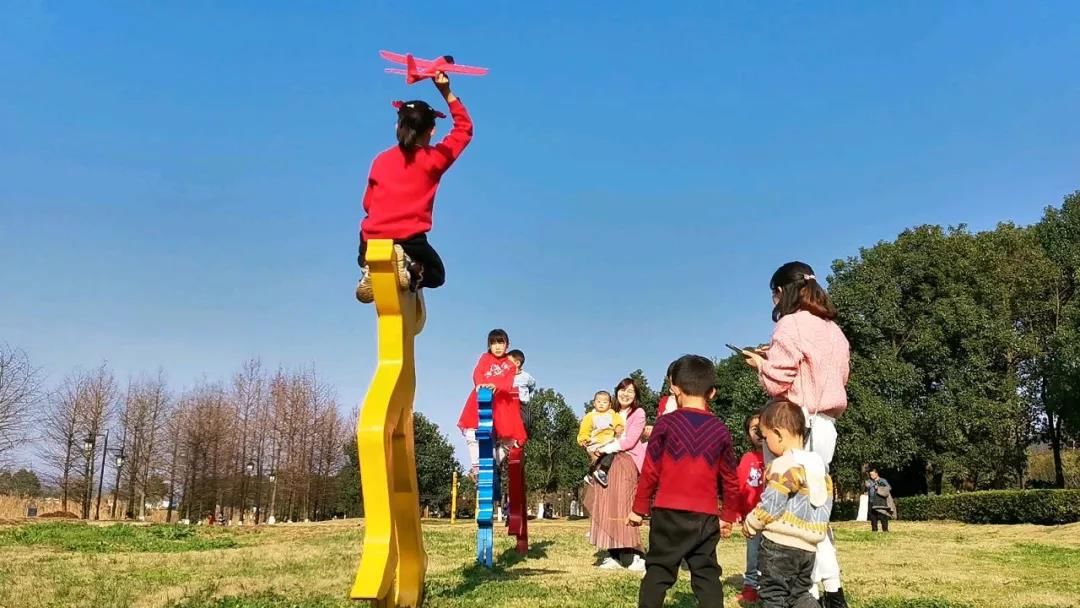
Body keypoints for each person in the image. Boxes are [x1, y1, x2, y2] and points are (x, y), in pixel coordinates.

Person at [740, 261, 851, 608]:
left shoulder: (790, 324)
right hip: (827, 425)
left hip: (794, 424)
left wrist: (761, 364)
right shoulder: (834, 330)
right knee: (816, 509)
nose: (773, 302)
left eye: (773, 294)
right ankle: (830, 590)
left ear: (782, 291)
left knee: (786, 509)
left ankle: (803, 592)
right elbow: (838, 376)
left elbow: (778, 380)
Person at [629, 355, 740, 608]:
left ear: (674, 387)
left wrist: (639, 509)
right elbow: (730, 479)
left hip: (667, 512)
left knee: (658, 571)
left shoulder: (665, 424)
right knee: (706, 574)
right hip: (705, 514)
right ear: (712, 392)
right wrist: (728, 515)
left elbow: (650, 471)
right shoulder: (720, 430)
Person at [355, 71, 474, 303]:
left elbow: (367, 204)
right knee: (437, 274)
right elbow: (464, 129)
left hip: (372, 238)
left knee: (365, 236)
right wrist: (446, 92)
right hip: (409, 239)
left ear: (397, 126)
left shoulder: (380, 160)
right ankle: (411, 269)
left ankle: (368, 268)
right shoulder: (433, 160)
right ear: (432, 131)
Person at [743, 400, 833, 608]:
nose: (765, 443)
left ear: (779, 434)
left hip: (779, 545)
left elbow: (772, 504)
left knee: (773, 595)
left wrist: (752, 522)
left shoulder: (783, 465)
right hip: (808, 548)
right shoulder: (818, 466)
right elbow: (824, 505)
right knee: (799, 594)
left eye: (766, 437)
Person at [584, 377, 648, 572]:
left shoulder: (638, 413)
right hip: (606, 465)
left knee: (623, 508)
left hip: (626, 462)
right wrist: (591, 448)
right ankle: (614, 554)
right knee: (606, 507)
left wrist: (605, 448)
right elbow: (592, 432)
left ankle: (635, 555)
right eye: (622, 390)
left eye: (630, 391)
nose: (625, 394)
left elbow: (628, 441)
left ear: (636, 395)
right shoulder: (608, 413)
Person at [456, 329, 526, 477]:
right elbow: (477, 372)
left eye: (500, 342)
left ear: (507, 344)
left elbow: (508, 383)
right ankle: (476, 467)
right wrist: (480, 384)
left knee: (510, 438)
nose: (497, 346)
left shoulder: (510, 364)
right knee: (471, 431)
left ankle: (494, 462)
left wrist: (497, 387)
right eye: (493, 343)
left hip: (501, 404)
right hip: (481, 401)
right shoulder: (485, 358)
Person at [736, 411, 767, 604]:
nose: (759, 433)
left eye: (762, 428)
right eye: (754, 429)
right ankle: (750, 586)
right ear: (748, 435)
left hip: (775, 517)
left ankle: (770, 586)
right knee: (753, 553)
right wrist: (738, 511)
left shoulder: (779, 457)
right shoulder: (748, 458)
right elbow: (739, 486)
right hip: (753, 517)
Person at [578, 391, 626, 487]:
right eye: (599, 402)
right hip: (595, 441)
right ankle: (599, 472)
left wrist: (618, 427)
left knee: (609, 452)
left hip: (608, 440)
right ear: (594, 403)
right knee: (596, 458)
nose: (601, 404)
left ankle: (594, 473)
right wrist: (583, 439)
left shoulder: (612, 414)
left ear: (609, 404)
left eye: (604, 402)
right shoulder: (590, 416)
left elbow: (618, 422)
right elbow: (584, 429)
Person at [507, 349, 536, 433]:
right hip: (510, 403)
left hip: (522, 404)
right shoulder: (507, 376)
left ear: (517, 363)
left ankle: (521, 435)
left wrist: (526, 393)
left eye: (508, 362)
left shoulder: (526, 376)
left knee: (524, 421)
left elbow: (532, 385)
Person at [866, 466, 896, 532]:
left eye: (872, 474)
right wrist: (872, 484)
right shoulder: (869, 481)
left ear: (877, 474)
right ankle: (874, 531)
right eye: (870, 475)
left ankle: (885, 530)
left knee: (883, 516)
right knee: (873, 518)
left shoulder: (883, 480)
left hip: (881, 501)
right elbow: (867, 485)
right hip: (871, 501)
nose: (871, 476)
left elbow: (889, 488)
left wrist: (879, 487)